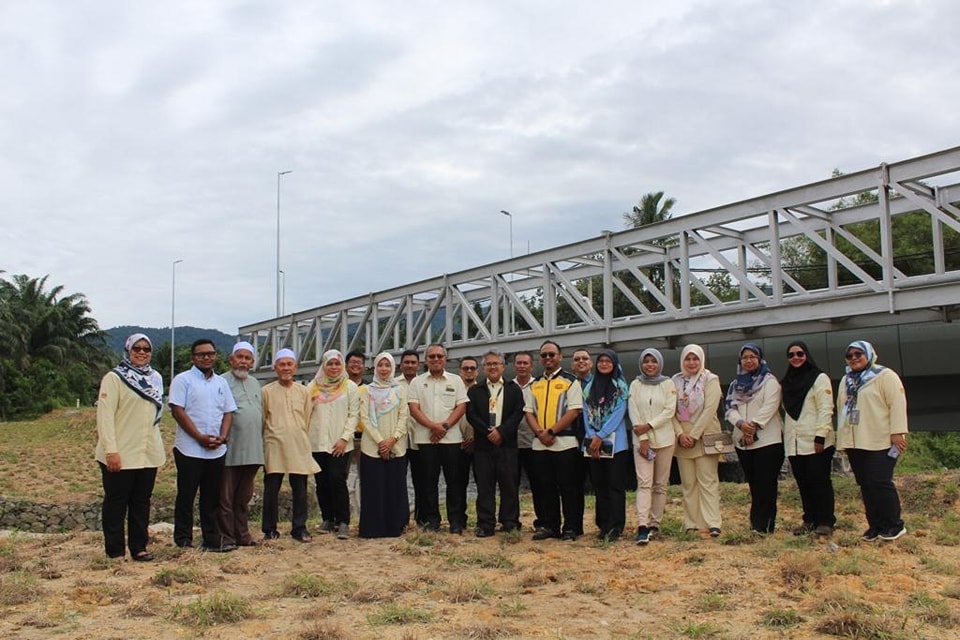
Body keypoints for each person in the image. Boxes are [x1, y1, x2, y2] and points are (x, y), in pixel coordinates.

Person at [95, 333, 165, 561]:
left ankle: (139, 547)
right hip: (120, 452)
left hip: (147, 452)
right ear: (128, 350)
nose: (142, 352)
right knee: (117, 503)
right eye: (137, 348)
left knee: (141, 502)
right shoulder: (114, 378)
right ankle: (115, 551)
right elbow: (105, 417)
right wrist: (111, 451)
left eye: (146, 349)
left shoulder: (155, 378)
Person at [169, 339, 237, 552]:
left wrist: (223, 437)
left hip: (217, 450)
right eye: (201, 354)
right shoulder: (183, 380)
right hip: (189, 449)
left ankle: (211, 539)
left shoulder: (221, 383)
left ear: (216, 355)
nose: (206, 357)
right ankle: (183, 539)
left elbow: (228, 411)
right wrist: (198, 437)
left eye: (210, 353)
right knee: (186, 496)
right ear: (193, 357)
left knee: (212, 498)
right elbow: (178, 411)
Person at [836, 340, 908, 542]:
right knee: (866, 484)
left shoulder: (885, 376)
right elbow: (842, 410)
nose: (854, 358)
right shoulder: (846, 380)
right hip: (855, 440)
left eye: (859, 354)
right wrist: (842, 438)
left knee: (880, 482)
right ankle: (875, 525)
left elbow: (897, 403)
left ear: (869, 354)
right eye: (849, 356)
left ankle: (894, 524)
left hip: (880, 439)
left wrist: (898, 432)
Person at [524, 340, 584, 541]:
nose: (548, 358)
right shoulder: (535, 384)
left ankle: (571, 527)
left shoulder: (571, 381)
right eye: (544, 355)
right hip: (540, 445)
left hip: (565, 443)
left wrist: (551, 431)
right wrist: (540, 433)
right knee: (544, 487)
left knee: (569, 488)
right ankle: (550, 525)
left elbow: (574, 410)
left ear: (560, 357)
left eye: (551, 354)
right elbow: (529, 412)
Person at [407, 343, 470, 533]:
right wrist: (432, 426)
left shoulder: (456, 380)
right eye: (431, 356)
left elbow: (461, 406)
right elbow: (413, 408)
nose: (435, 359)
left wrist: (444, 426)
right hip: (426, 439)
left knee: (454, 482)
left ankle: (456, 522)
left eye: (439, 356)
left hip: (451, 439)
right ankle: (431, 521)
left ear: (446, 359)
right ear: (426, 360)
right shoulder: (417, 382)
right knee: (428, 483)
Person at [261, 348, 321, 542]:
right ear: (275, 367)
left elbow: (306, 418)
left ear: (295, 367)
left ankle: (300, 528)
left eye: (289, 364)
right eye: (282, 364)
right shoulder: (266, 392)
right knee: (271, 488)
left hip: (298, 444)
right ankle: (269, 529)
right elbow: (263, 420)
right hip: (274, 444)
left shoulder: (304, 392)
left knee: (300, 488)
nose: (286, 368)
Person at [725, 343, 784, 534]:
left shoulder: (770, 382)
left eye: (752, 356)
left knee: (766, 484)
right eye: (744, 357)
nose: (748, 360)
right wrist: (741, 424)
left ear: (760, 359)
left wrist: (753, 426)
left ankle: (765, 525)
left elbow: (771, 406)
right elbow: (729, 408)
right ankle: (755, 524)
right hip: (743, 442)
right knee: (754, 484)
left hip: (767, 441)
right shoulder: (736, 384)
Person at [466, 349, 524, 536]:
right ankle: (485, 524)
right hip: (483, 446)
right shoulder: (475, 390)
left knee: (509, 485)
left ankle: (510, 522)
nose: (492, 367)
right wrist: (487, 432)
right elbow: (471, 414)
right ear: (483, 368)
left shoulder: (514, 389)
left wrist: (501, 432)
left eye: (496, 363)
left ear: (503, 366)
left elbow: (518, 413)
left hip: (507, 445)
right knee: (484, 486)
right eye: (489, 364)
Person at [781, 341, 836, 536]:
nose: (796, 358)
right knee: (803, 482)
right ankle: (809, 519)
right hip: (795, 443)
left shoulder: (819, 378)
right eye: (791, 355)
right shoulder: (786, 382)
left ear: (807, 355)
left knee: (819, 481)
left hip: (816, 441)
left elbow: (825, 408)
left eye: (800, 354)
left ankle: (826, 521)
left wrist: (820, 436)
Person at [307, 349, 360, 540]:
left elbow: (354, 414)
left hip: (340, 443)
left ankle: (343, 521)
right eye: (329, 363)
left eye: (337, 363)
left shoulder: (350, 387)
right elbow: (306, 414)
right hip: (316, 442)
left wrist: (345, 438)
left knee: (337, 479)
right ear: (323, 365)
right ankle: (327, 519)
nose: (334, 367)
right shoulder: (312, 387)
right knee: (321, 482)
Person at [627, 348, 678, 545]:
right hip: (641, 441)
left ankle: (655, 523)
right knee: (644, 483)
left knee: (660, 484)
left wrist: (649, 426)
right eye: (646, 361)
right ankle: (642, 525)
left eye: (653, 361)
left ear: (660, 364)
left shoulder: (667, 383)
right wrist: (644, 437)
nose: (650, 365)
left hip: (665, 440)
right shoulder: (635, 384)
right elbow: (634, 411)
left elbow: (669, 410)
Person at [673, 344, 723, 538]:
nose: (692, 363)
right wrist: (679, 434)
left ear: (701, 360)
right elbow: (671, 410)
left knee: (707, 480)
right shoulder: (675, 381)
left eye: (695, 359)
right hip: (682, 439)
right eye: (688, 359)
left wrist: (694, 435)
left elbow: (710, 409)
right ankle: (691, 523)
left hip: (704, 436)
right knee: (688, 483)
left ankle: (712, 523)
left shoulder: (710, 379)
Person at [358, 352, 410, 538]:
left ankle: (395, 528)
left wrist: (392, 439)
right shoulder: (367, 391)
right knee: (374, 489)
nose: (384, 369)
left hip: (396, 445)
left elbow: (404, 417)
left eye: (387, 365)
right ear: (375, 368)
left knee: (395, 488)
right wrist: (381, 442)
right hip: (372, 447)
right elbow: (365, 418)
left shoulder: (400, 390)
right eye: (380, 365)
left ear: (393, 368)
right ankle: (373, 529)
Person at [218, 342, 264, 547]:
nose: (243, 362)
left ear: (252, 362)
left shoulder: (255, 383)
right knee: (225, 497)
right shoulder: (220, 382)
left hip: (253, 449)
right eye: (240, 357)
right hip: (230, 448)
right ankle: (226, 537)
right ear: (231, 359)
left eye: (247, 358)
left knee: (243, 497)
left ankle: (243, 535)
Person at [582, 349, 631, 542]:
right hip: (593, 444)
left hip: (615, 444)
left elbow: (619, 413)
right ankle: (603, 525)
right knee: (599, 485)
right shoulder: (589, 386)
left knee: (615, 486)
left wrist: (601, 435)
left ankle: (616, 526)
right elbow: (586, 412)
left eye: (607, 361)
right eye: (600, 361)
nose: (603, 364)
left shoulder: (620, 386)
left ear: (614, 364)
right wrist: (592, 436)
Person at [397, 349, 422, 525]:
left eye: (413, 362)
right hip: (398, 441)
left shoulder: (424, 383)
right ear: (401, 365)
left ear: (418, 365)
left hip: (421, 439)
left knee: (422, 480)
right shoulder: (392, 384)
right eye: (407, 362)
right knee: (398, 482)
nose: (410, 365)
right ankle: (400, 519)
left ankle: (422, 518)